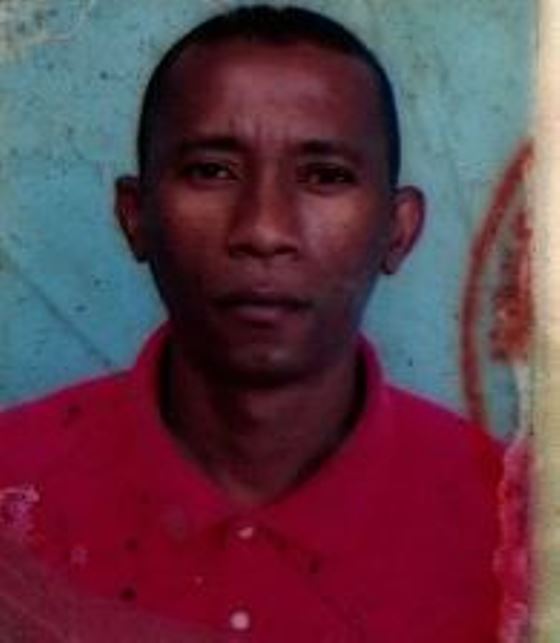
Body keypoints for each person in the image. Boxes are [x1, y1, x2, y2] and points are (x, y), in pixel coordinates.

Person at [0, 5, 502, 642]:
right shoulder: (13, 488)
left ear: (398, 230)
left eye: (325, 176)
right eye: (211, 171)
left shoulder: (512, 530)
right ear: (136, 215)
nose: (263, 230)